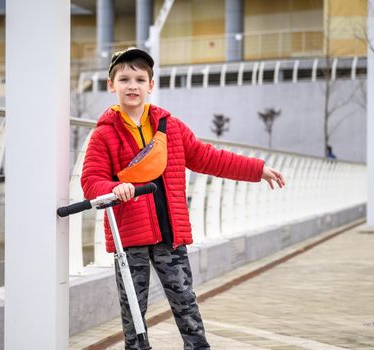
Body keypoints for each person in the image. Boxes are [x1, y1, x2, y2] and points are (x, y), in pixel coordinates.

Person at [80, 48, 285, 350]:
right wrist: (114, 188)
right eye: (124, 79)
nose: (132, 85)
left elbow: (209, 158)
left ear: (151, 84)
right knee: (133, 312)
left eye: (140, 78)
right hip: (130, 240)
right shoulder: (104, 135)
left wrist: (257, 169)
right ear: (112, 86)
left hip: (170, 235)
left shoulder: (170, 127)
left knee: (186, 303)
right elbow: (90, 181)